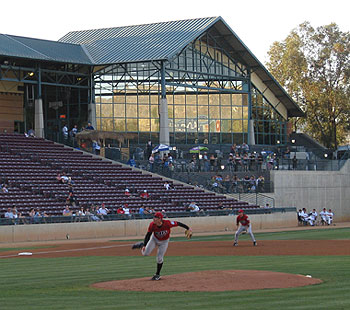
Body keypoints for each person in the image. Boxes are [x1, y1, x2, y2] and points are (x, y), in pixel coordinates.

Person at [132, 212, 192, 281]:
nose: (153, 219)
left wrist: (188, 228)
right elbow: (148, 235)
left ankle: (157, 274)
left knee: (159, 258)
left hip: (164, 242)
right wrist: (145, 245)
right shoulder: (152, 225)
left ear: (160, 219)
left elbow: (178, 223)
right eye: (154, 217)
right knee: (145, 253)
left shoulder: (167, 223)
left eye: (155, 217)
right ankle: (141, 244)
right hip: (154, 239)